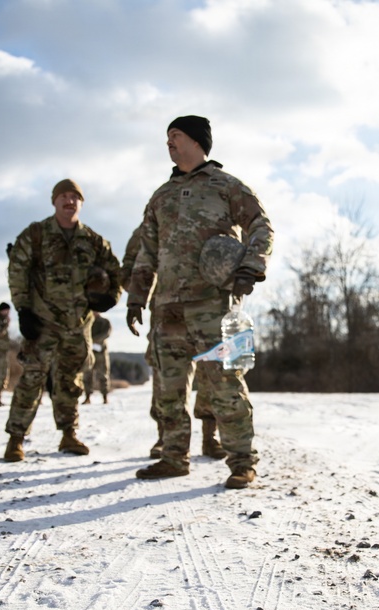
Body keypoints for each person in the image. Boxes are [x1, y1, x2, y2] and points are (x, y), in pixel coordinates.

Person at [126, 115, 273, 489]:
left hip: (213, 304)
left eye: (175, 136)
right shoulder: (161, 196)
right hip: (167, 307)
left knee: (225, 385)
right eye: (167, 138)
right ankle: (173, 457)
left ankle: (242, 461)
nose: (169, 143)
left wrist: (251, 268)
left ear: (196, 141)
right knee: (168, 389)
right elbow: (147, 251)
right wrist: (136, 298)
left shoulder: (226, 186)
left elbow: (261, 224)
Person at [3, 178, 122, 462]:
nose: (69, 201)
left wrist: (112, 297)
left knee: (70, 381)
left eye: (74, 197)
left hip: (77, 325)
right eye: (63, 196)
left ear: (81, 203)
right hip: (42, 321)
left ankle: (68, 434)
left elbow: (116, 272)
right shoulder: (36, 235)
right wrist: (23, 309)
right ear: (54, 201)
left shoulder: (93, 241)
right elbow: (17, 269)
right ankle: (16, 439)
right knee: (32, 378)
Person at [120, 228, 223, 459]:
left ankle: (210, 436)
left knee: (211, 374)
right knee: (165, 377)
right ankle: (166, 437)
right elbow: (128, 270)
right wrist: (148, 285)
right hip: (166, 312)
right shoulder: (151, 225)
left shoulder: (213, 211)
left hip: (209, 309)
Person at [83, 312, 112, 404]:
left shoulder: (104, 322)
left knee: (103, 375)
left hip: (100, 352)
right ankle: (87, 397)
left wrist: (92, 340)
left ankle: (105, 396)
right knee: (87, 375)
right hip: (89, 352)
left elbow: (106, 334)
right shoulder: (87, 321)